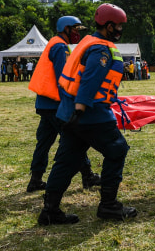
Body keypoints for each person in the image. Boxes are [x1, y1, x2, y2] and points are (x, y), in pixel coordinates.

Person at [38, 4, 136, 225]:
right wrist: (81, 107)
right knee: (117, 150)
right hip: (91, 114)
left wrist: (74, 111)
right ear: (109, 25)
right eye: (118, 26)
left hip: (69, 113)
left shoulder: (86, 43)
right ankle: (109, 206)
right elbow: (91, 79)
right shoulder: (101, 49)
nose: (120, 29)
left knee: (67, 161)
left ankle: (50, 211)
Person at [27, 16, 101, 194]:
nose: (77, 33)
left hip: (45, 103)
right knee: (74, 139)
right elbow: (64, 78)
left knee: (44, 142)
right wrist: (72, 103)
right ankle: (88, 175)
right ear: (65, 28)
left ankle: (35, 179)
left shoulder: (54, 43)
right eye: (75, 29)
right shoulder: (60, 47)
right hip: (55, 104)